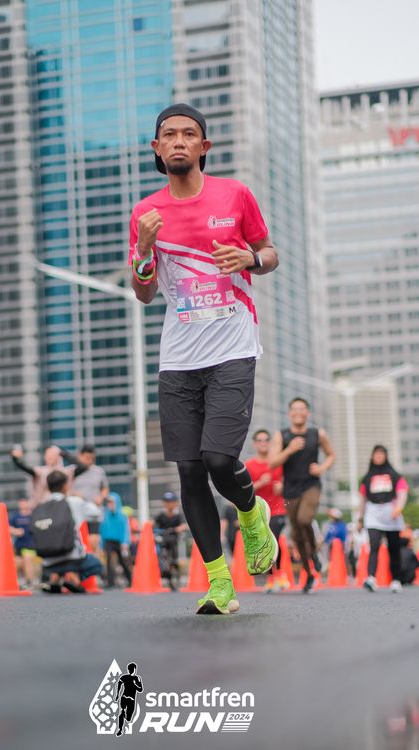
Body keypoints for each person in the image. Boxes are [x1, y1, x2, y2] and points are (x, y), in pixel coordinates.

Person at [129, 102, 279, 615]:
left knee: (218, 459)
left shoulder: (234, 195)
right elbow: (144, 292)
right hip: (178, 357)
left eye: (188, 134)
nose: (178, 141)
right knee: (190, 471)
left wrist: (250, 258)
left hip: (233, 346)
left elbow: (270, 253)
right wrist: (143, 250)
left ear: (203, 146)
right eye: (169, 135)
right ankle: (220, 584)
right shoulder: (146, 213)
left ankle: (251, 513)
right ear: (156, 148)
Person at [269, 398, 335, 593]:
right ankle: (309, 572)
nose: (298, 412)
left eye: (302, 409)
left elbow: (331, 455)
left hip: (311, 485)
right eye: (295, 409)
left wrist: (321, 468)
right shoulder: (281, 435)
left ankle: (314, 553)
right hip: (290, 489)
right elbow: (272, 462)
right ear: (289, 413)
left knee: (304, 519)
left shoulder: (317, 433)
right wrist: (289, 450)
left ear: (308, 413)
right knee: (296, 533)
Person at [38, 471, 103, 593]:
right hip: (72, 556)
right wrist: (82, 498)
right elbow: (96, 513)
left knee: (58, 562)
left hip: (48, 560)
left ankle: (54, 580)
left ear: (48, 487)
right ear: (65, 486)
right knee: (97, 565)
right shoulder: (74, 502)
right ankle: (74, 579)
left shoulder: (41, 506)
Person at [359, 445, 408, 593]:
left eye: (381, 454)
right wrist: (360, 517)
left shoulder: (394, 475)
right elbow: (362, 498)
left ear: (386, 456)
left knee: (394, 548)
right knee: (374, 545)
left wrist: (399, 508)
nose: (378, 457)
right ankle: (371, 578)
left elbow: (402, 490)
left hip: (390, 512)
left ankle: (396, 580)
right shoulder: (367, 477)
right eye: (376, 454)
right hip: (373, 513)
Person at [245, 429, 289, 592]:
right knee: (265, 544)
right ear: (254, 444)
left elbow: (290, 484)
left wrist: (283, 487)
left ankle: (279, 575)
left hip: (277, 509)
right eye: (259, 440)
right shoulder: (249, 465)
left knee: (274, 539)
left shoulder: (278, 463)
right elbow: (244, 489)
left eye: (266, 440)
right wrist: (260, 483)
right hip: (259, 512)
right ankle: (272, 577)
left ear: (270, 443)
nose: (263, 443)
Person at [10, 444, 87, 508]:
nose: (49, 456)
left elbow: (83, 466)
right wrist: (16, 459)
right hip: (42, 509)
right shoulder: (40, 472)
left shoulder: (67, 472)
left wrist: (63, 453)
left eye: (52, 454)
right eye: (47, 454)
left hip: (62, 509)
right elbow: (24, 468)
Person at [70, 443, 109, 554]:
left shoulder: (99, 471)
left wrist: (101, 497)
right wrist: (74, 494)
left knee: (94, 541)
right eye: (87, 458)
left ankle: (92, 561)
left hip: (94, 511)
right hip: (77, 512)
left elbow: (105, 488)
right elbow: (65, 488)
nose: (89, 461)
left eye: (92, 458)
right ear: (80, 456)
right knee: (78, 540)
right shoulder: (71, 471)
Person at [153, 491, 187, 590]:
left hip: (173, 539)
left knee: (173, 558)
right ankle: (163, 570)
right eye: (166, 502)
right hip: (163, 539)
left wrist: (177, 529)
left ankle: (175, 571)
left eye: (171, 501)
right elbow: (153, 523)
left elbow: (183, 525)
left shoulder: (178, 515)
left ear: (175, 503)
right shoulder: (161, 515)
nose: (168, 504)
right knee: (161, 553)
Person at [100, 492, 132, 588]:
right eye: (109, 502)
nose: (110, 504)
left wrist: (125, 542)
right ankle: (110, 582)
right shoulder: (105, 515)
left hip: (120, 542)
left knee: (123, 561)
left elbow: (126, 530)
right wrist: (101, 545)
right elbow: (102, 530)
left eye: (112, 502)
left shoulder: (122, 516)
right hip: (109, 541)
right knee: (109, 561)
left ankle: (130, 580)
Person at [9, 498, 37, 589]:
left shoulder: (33, 516)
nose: (23, 505)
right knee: (17, 563)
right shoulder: (15, 516)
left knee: (28, 561)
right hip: (19, 545)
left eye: (25, 503)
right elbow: (7, 527)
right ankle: (12, 582)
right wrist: (15, 531)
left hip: (30, 544)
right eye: (22, 503)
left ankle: (29, 582)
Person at [115, 662, 143, 738]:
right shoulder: (124, 677)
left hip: (131, 699)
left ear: (134, 669)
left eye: (132, 669)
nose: (131, 670)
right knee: (122, 711)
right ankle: (120, 729)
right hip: (125, 697)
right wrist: (117, 695)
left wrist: (135, 685)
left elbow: (140, 689)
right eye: (130, 669)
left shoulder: (137, 678)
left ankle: (125, 716)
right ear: (129, 669)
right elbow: (119, 684)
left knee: (129, 719)